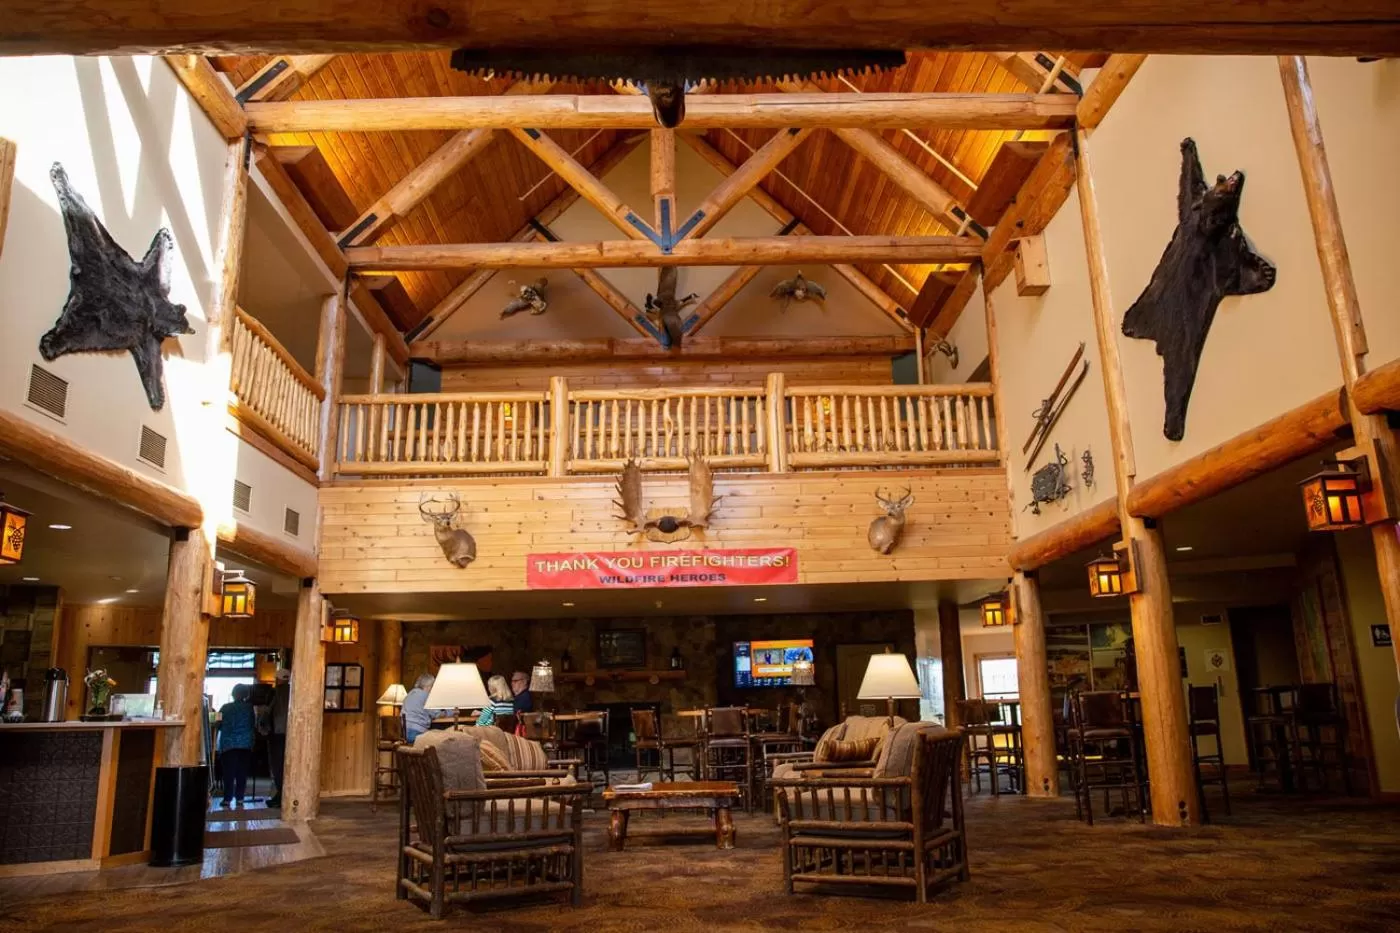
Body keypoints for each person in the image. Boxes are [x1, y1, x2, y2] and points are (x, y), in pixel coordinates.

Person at [217, 683, 256, 807]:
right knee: (242, 773)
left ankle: (227, 799)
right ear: (246, 695)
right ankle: (240, 798)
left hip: (228, 744)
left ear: (233, 694)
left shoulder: (225, 707)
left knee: (228, 773)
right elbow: (253, 724)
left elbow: (217, 723)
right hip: (245, 744)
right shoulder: (250, 708)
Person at [264, 669, 291, 808]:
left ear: (278, 679)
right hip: (292, 734)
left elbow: (267, 712)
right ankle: (284, 796)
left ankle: (280, 796)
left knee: (278, 767)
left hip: (277, 734)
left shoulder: (274, 693)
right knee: (289, 766)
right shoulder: (294, 691)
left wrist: (263, 728)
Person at [402, 673, 444, 743]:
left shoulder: (409, 694)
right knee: (439, 741)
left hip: (404, 733)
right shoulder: (426, 696)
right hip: (416, 733)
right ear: (429, 686)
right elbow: (437, 714)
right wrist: (450, 712)